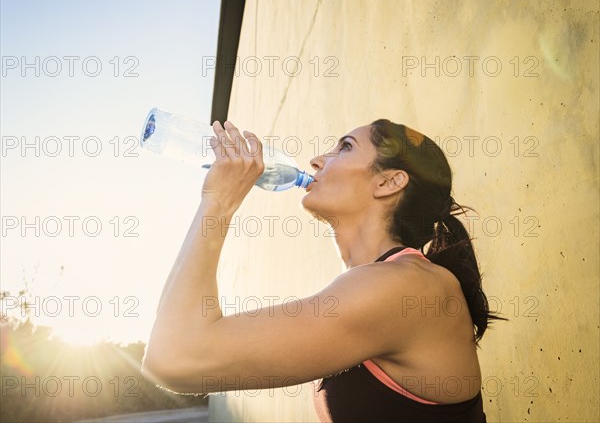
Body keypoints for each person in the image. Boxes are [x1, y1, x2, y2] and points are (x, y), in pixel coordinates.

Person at [141, 119, 507, 422]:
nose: (317, 160)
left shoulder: (408, 287)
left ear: (388, 182)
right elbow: (171, 342)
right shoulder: (383, 282)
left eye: (344, 147)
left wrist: (218, 202)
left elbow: (174, 356)